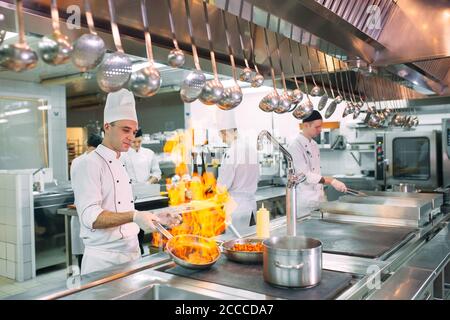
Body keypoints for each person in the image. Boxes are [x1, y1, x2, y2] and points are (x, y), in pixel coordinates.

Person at [71, 89, 181, 275]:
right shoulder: (88, 163)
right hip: (104, 261)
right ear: (107, 126)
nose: (131, 137)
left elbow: (122, 210)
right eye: (125, 130)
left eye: (134, 131)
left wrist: (156, 218)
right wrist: (134, 216)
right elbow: (91, 217)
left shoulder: (121, 161)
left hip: (131, 254)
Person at [287, 110, 347, 217]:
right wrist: (331, 181)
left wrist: (321, 194)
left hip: (318, 201)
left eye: (321, 126)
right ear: (306, 125)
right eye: (317, 127)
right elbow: (305, 175)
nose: (320, 130)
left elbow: (316, 171)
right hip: (304, 203)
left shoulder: (314, 144)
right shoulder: (295, 146)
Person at [216, 110, 260, 235]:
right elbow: (258, 177)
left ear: (224, 133)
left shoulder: (232, 152)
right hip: (250, 205)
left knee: (235, 243)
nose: (222, 140)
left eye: (221, 135)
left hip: (235, 207)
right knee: (250, 239)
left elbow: (223, 186)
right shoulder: (251, 149)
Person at [70, 133, 103, 269]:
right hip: (91, 210)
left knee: (83, 252)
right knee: (87, 252)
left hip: (82, 208)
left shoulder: (76, 161)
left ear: (86, 145)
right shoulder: (93, 161)